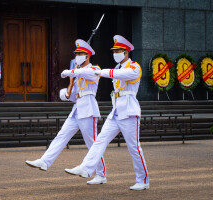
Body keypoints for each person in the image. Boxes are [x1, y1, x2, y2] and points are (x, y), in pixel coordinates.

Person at [64, 35, 149, 190]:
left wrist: (102, 72)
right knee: (100, 141)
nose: (115, 53)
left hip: (129, 112)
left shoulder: (134, 67)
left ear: (126, 52)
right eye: (114, 50)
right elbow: (116, 75)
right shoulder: (117, 68)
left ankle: (143, 180)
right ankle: (87, 168)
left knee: (134, 148)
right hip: (116, 111)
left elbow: (122, 76)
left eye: (118, 50)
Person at [25, 39, 107, 185]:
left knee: (93, 144)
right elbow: (73, 95)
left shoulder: (94, 69)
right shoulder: (77, 73)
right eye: (76, 54)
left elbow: (85, 73)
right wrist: (65, 93)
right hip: (77, 109)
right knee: (61, 136)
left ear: (87, 56)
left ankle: (101, 174)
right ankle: (45, 161)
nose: (77, 56)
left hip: (88, 109)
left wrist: (70, 72)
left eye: (80, 54)